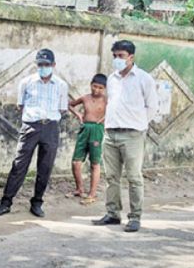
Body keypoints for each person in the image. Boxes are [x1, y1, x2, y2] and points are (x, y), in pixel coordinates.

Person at [0, 48, 68, 218]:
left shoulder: (61, 85)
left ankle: (37, 202)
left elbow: (63, 109)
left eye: (47, 64)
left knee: (45, 167)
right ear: (36, 65)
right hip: (30, 127)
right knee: (19, 165)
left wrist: (47, 119)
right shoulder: (26, 82)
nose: (43, 67)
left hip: (51, 128)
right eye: (40, 64)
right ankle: (6, 202)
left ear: (53, 65)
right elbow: (20, 106)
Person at [92, 40, 158, 233]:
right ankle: (113, 213)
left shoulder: (144, 79)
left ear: (131, 57)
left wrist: (138, 124)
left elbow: (152, 106)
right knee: (112, 177)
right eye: (114, 56)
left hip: (133, 134)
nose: (117, 59)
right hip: (111, 134)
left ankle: (135, 217)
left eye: (120, 56)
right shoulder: (111, 79)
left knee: (134, 177)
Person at [67, 73, 107, 205]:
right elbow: (70, 105)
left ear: (105, 88)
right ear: (90, 85)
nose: (96, 90)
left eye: (100, 88)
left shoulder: (107, 100)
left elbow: (115, 111)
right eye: (94, 86)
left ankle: (92, 194)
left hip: (97, 129)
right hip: (84, 129)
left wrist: (104, 119)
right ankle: (79, 188)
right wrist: (78, 114)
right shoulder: (85, 98)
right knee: (76, 162)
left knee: (95, 163)